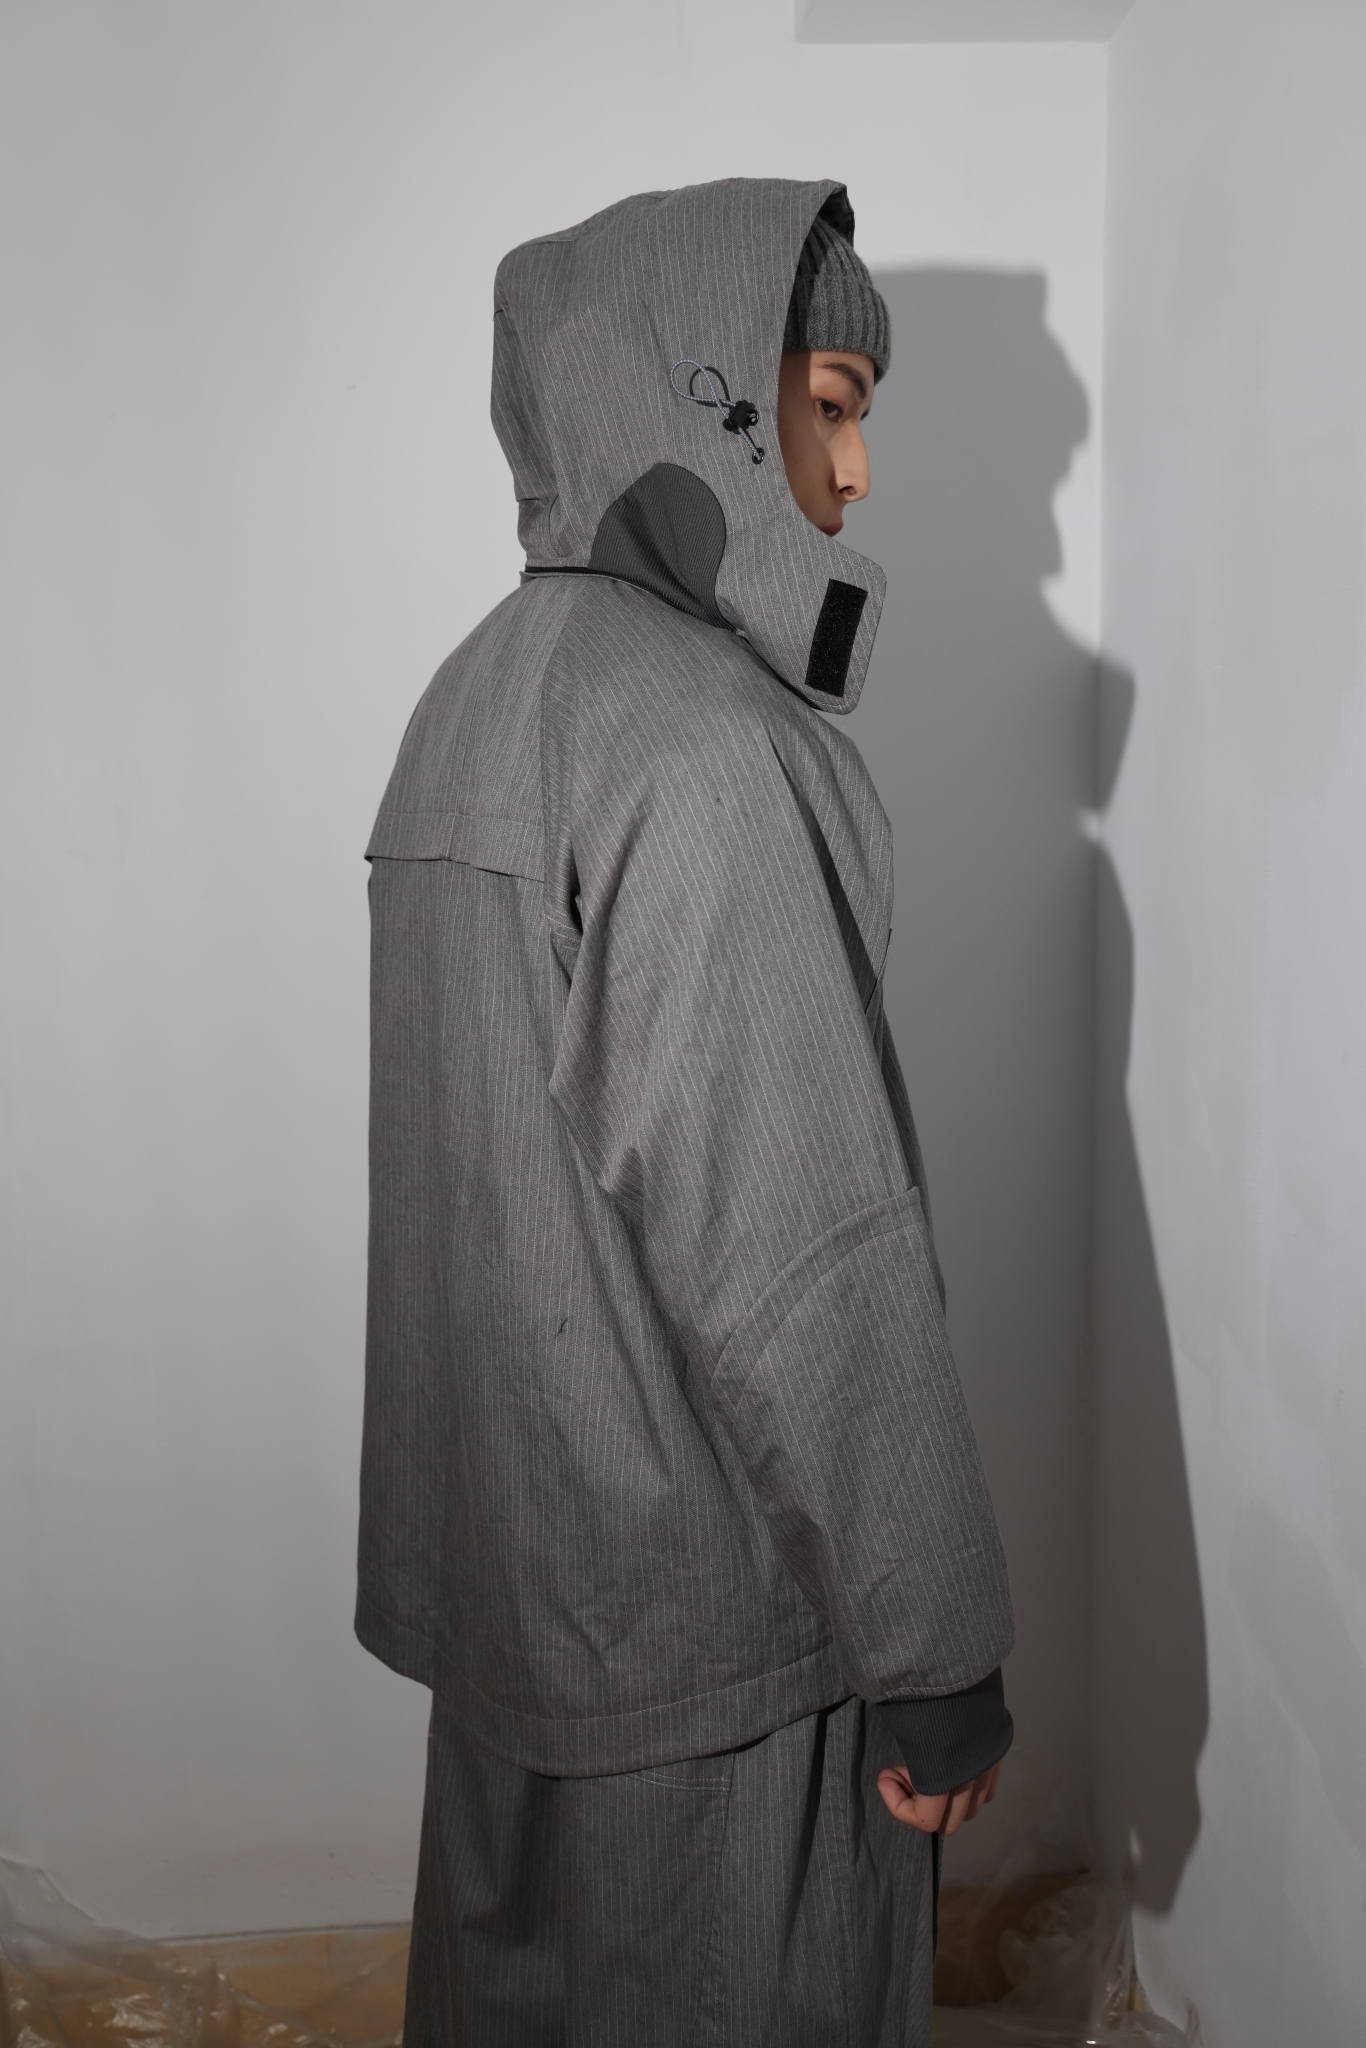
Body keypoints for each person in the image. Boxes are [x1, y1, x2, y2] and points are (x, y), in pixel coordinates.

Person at [358, 178, 1014, 2047]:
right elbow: (805, 1253)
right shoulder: (703, 755)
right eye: (831, 404)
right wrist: (935, 1651)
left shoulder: (469, 704)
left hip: (521, 1584)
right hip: (708, 1634)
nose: (857, 473)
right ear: (699, 391)